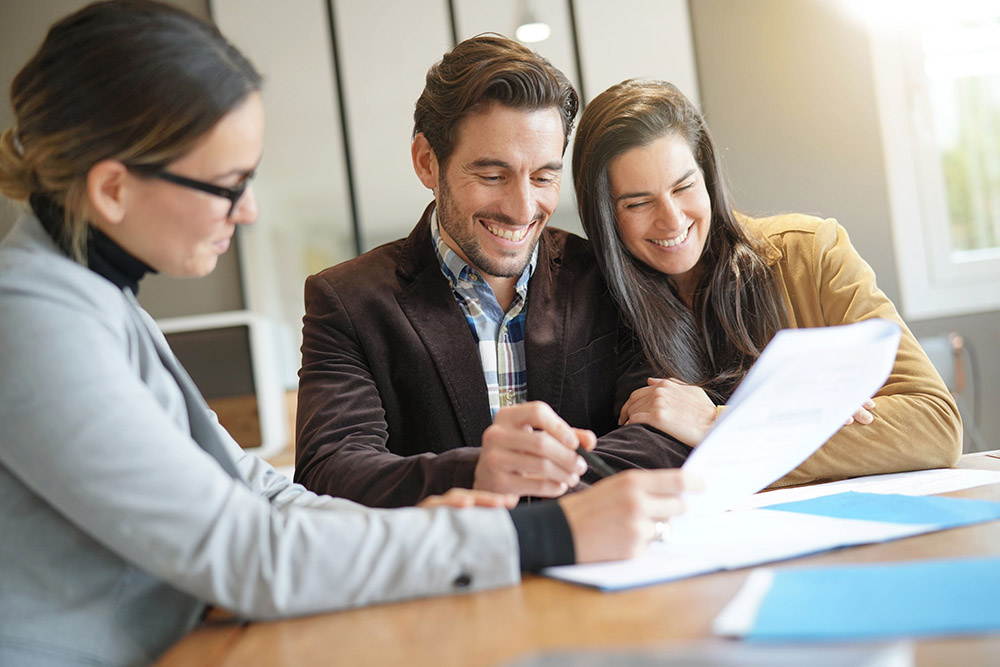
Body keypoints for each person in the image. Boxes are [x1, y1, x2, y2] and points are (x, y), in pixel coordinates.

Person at [0, 7, 699, 665]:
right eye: (227, 183)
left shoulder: (97, 301)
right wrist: (541, 532)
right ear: (113, 190)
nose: (247, 212)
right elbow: (249, 548)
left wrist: (441, 528)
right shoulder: (31, 323)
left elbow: (259, 493)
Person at [295, 35, 691, 508]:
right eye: (492, 175)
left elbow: (663, 435)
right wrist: (482, 473)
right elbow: (330, 468)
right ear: (427, 161)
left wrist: (540, 503)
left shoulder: (607, 275)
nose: (523, 208)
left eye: (544, 177)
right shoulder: (347, 300)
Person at [571, 78, 963, 486]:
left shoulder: (811, 254)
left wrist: (717, 425)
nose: (672, 220)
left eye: (684, 186)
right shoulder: (595, 309)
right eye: (638, 202)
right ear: (605, 215)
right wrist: (811, 424)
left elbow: (934, 425)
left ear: (706, 173)